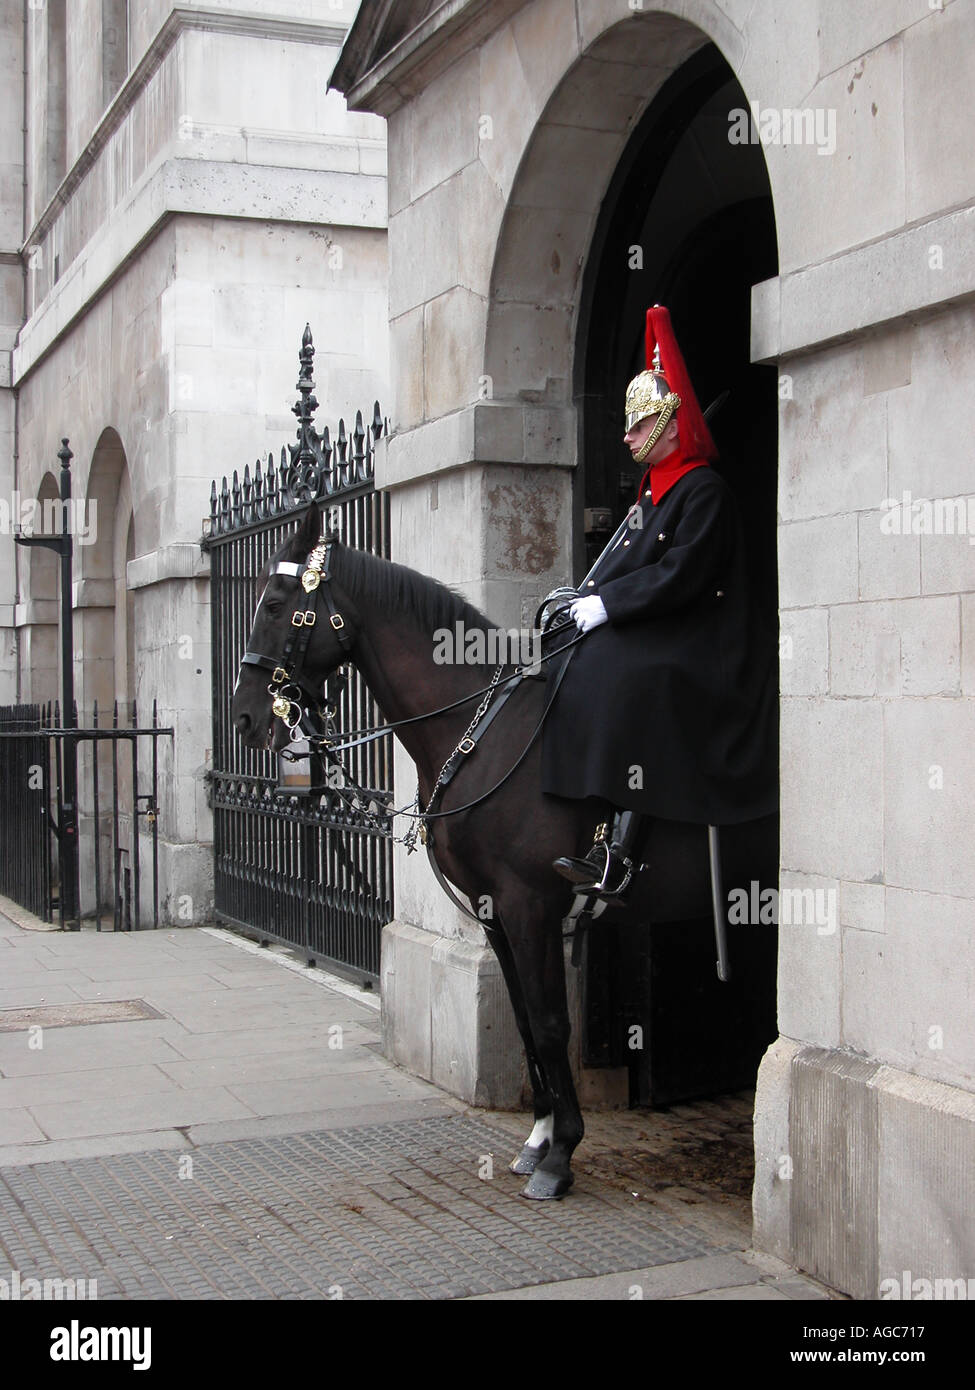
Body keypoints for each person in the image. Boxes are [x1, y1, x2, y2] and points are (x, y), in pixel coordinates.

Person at [544, 304, 777, 904]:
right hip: (669, 626)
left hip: (709, 642)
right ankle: (576, 816)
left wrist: (610, 608)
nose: (625, 437)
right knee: (569, 653)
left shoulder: (704, 493)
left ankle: (618, 849)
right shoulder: (653, 494)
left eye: (637, 425)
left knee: (626, 673)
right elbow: (624, 563)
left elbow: (682, 575)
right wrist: (585, 597)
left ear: (672, 425)